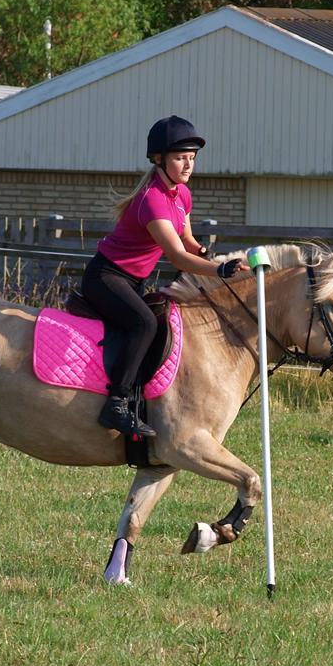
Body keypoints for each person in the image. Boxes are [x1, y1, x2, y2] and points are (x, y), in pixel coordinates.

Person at [81, 115, 249, 438]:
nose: (188, 165)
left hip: (133, 281)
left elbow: (188, 243)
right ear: (159, 159)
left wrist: (210, 257)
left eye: (192, 158)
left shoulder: (182, 195)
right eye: (180, 158)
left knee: (162, 321)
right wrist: (217, 270)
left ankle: (142, 399)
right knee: (143, 323)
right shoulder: (152, 200)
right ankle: (115, 404)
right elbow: (175, 256)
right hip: (106, 277)